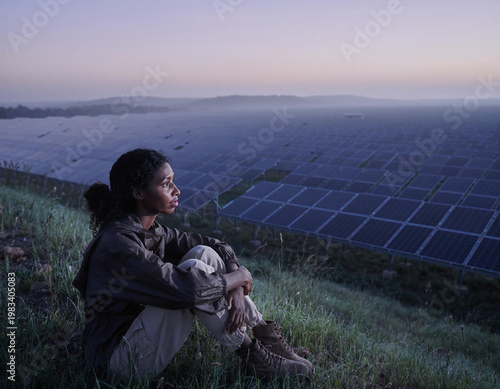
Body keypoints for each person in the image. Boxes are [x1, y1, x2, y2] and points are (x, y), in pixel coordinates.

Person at [73, 148, 313, 380]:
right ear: (138, 193)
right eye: (166, 184)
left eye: (173, 182)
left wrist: (236, 286)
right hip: (120, 361)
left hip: (139, 333)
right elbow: (190, 290)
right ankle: (255, 359)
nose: (177, 190)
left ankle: (265, 335)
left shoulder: (150, 231)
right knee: (192, 275)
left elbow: (217, 245)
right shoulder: (119, 244)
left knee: (202, 253)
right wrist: (239, 278)